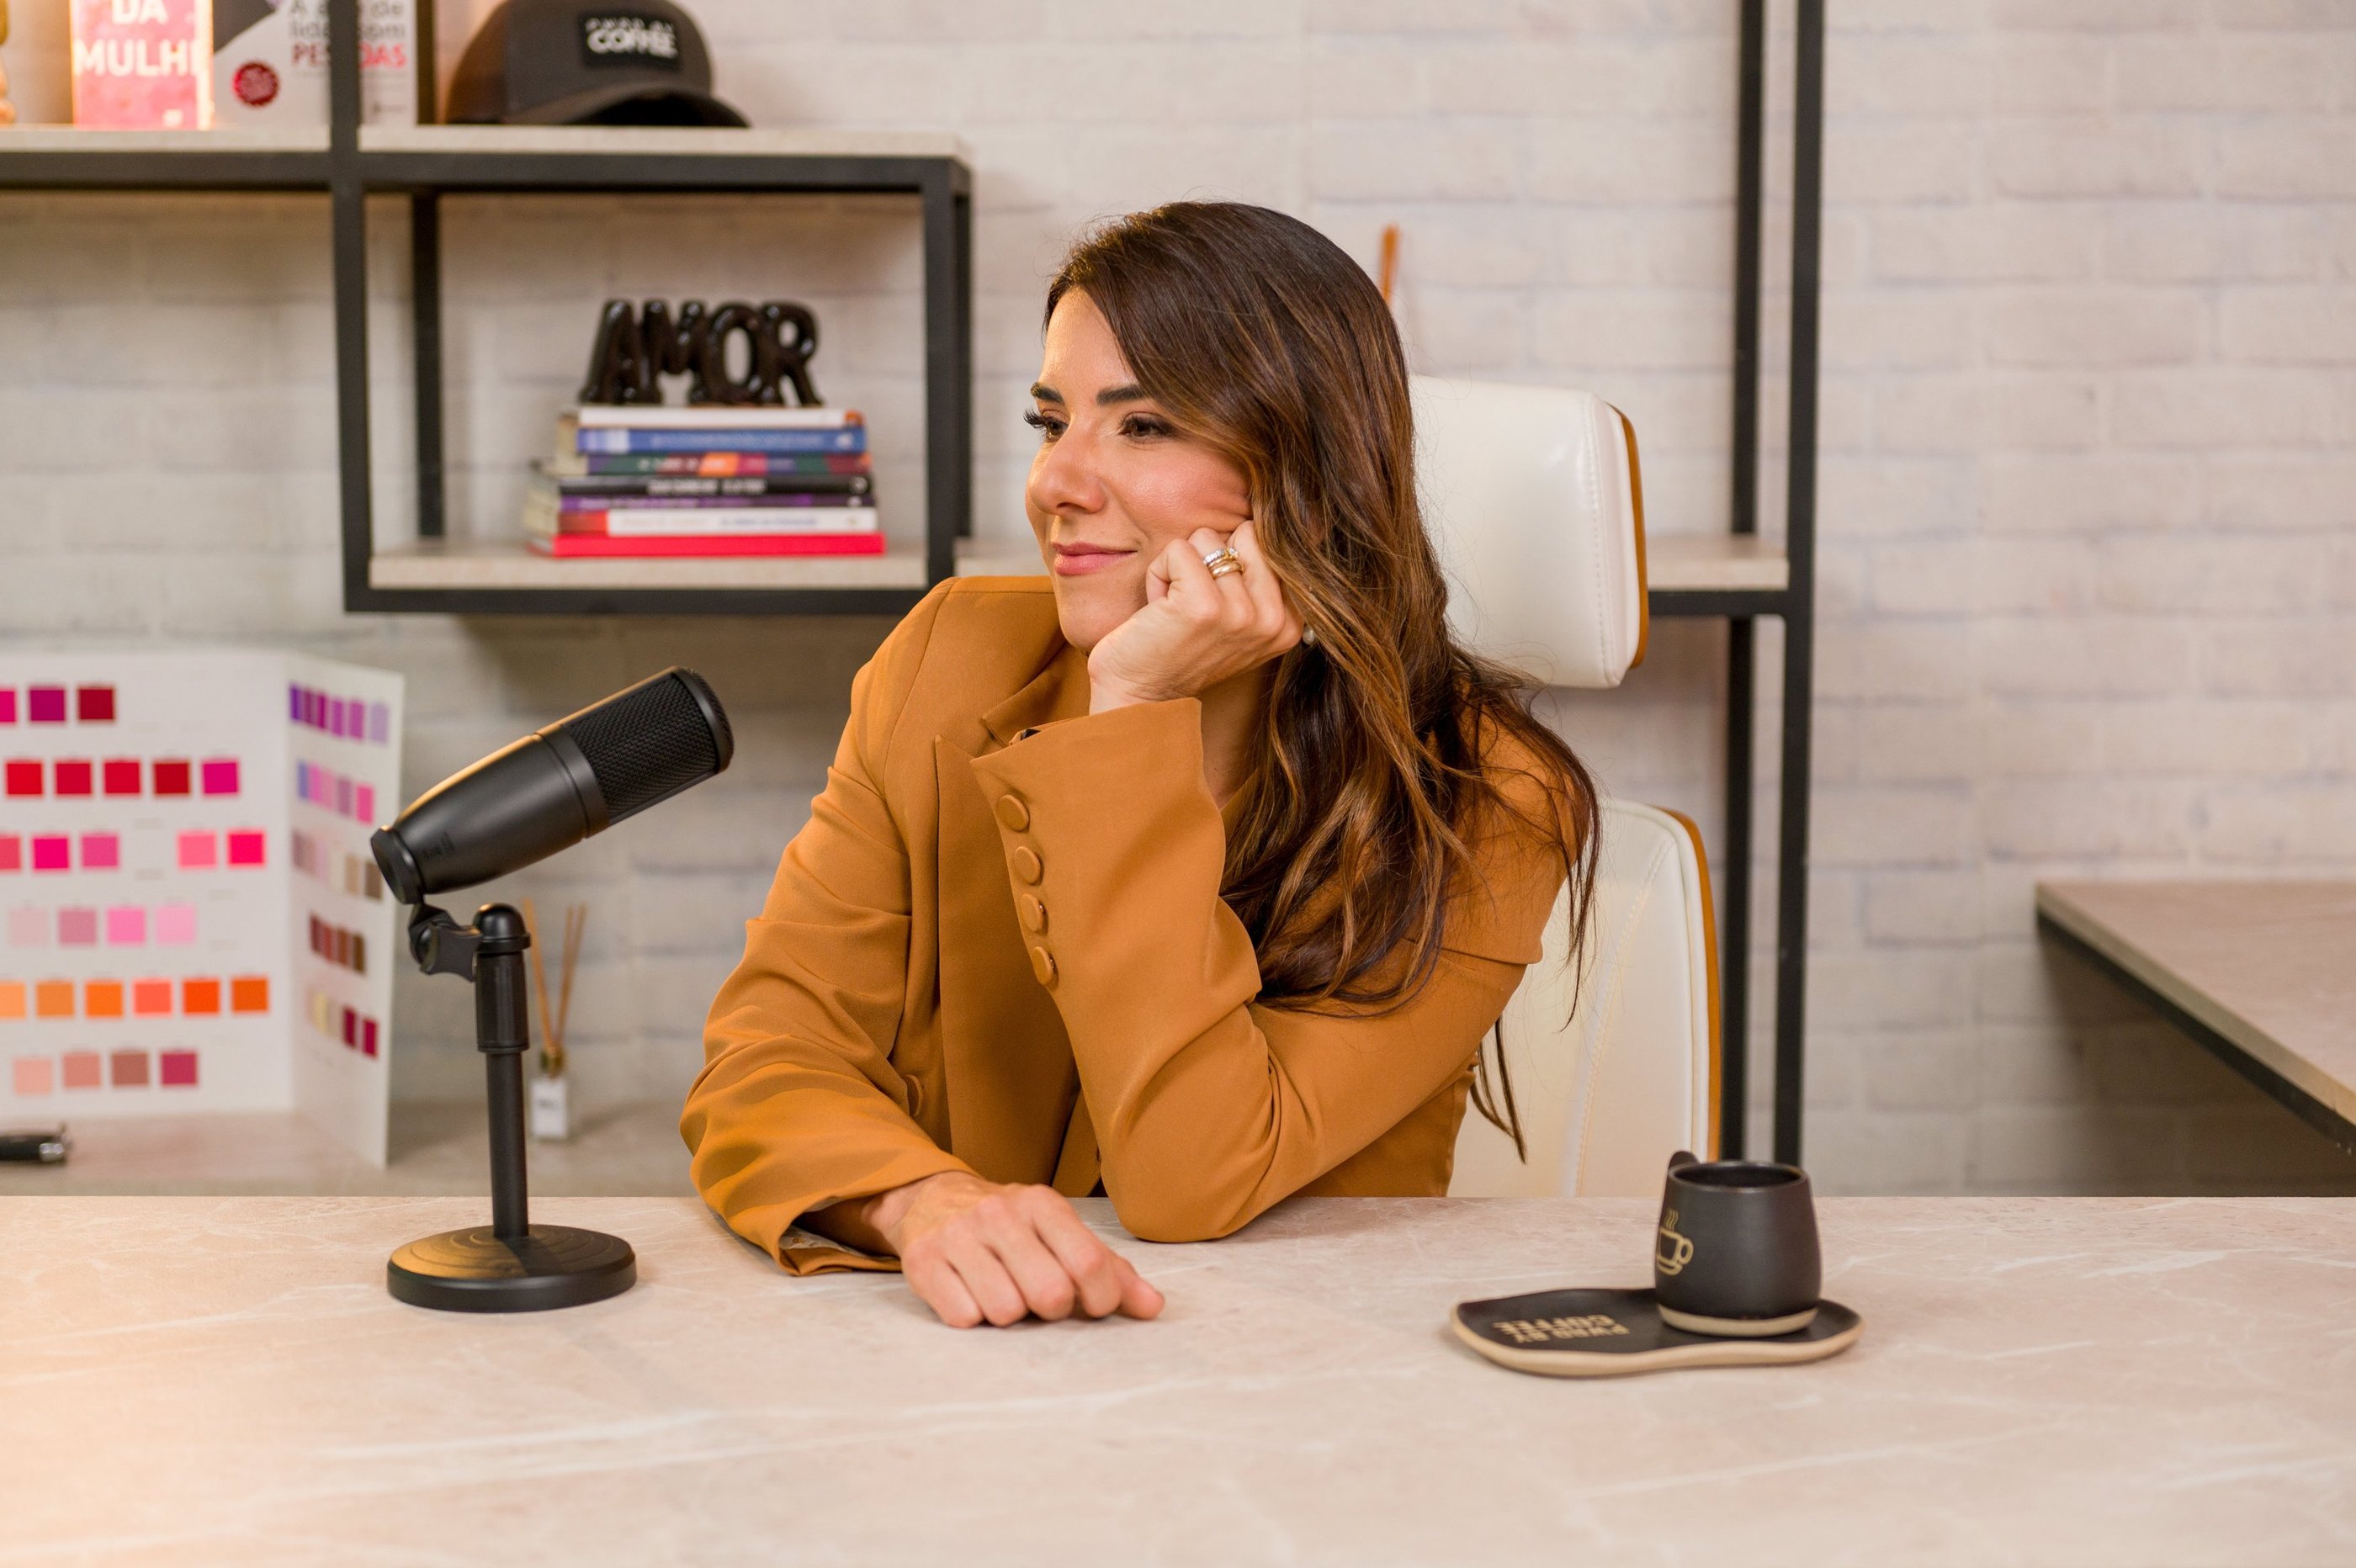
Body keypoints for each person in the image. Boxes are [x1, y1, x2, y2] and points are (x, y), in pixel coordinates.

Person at [682, 201, 1600, 1329]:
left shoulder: (1490, 795)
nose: (1055, 483)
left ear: (1309, 472)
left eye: (1145, 425)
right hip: (965, 1359)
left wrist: (1132, 711)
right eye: (1050, 420)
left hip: (1297, 1360)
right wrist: (919, 1202)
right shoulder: (948, 660)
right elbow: (765, 1060)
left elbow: (1191, 1176)